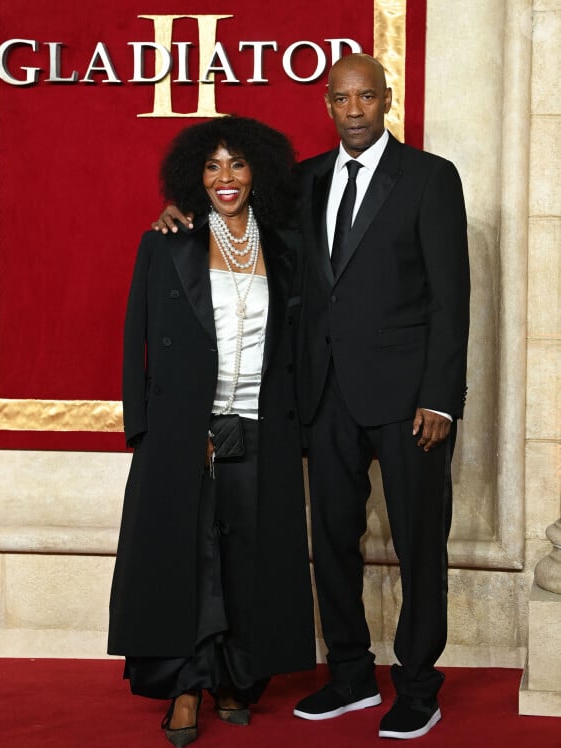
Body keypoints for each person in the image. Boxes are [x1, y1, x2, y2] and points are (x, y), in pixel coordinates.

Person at [154, 53, 470, 741]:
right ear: (327, 105)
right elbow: (234, 216)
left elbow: (452, 296)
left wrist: (441, 399)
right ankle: (351, 676)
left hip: (408, 401)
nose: (353, 110)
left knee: (420, 548)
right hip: (322, 398)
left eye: (365, 97)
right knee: (331, 545)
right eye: (341, 99)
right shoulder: (303, 181)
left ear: (386, 100)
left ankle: (417, 687)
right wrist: (178, 213)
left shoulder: (429, 178)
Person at [108, 116, 315, 747]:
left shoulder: (284, 246)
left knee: (247, 557)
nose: (225, 179)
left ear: (259, 172)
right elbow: (135, 338)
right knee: (188, 559)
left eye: (238, 165)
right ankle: (184, 688)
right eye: (212, 166)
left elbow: (298, 340)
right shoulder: (168, 240)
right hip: (184, 429)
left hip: (260, 425)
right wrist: (152, 430)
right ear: (194, 175)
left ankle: (234, 677)